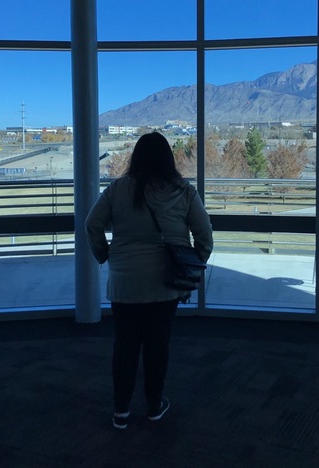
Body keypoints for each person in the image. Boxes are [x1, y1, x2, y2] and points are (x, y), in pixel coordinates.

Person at [85, 131, 213, 430]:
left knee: (125, 345)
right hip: (165, 282)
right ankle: (154, 405)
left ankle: (121, 410)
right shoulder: (183, 191)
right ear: (168, 159)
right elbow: (205, 234)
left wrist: (106, 255)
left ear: (136, 157)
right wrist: (192, 264)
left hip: (124, 281)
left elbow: (92, 224)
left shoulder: (117, 189)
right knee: (157, 345)